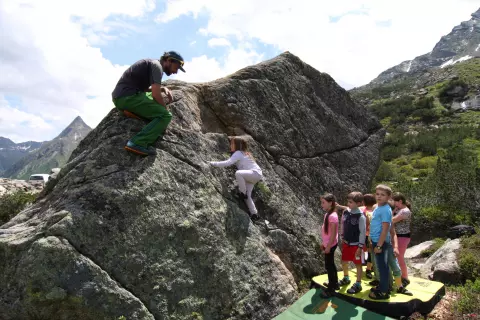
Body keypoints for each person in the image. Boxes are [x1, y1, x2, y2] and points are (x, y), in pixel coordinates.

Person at [111, 51, 186, 156]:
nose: (176, 72)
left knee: (153, 99)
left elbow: (146, 90)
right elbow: (156, 94)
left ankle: (135, 113)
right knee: (165, 116)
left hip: (122, 97)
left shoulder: (151, 64)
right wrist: (165, 110)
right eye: (176, 67)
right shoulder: (157, 66)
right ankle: (137, 143)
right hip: (128, 97)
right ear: (169, 60)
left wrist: (162, 88)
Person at [209, 137, 263, 219]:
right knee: (247, 196)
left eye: (232, 144)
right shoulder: (245, 153)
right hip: (255, 175)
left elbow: (228, 163)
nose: (230, 145)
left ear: (236, 145)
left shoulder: (238, 153)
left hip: (254, 173)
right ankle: (254, 214)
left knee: (238, 174)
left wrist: (213, 163)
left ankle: (242, 193)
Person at [338, 192, 366, 294]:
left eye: (351, 202)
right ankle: (346, 278)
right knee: (344, 261)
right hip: (346, 243)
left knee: (358, 264)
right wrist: (342, 236)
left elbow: (362, 232)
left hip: (356, 245)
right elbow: (343, 224)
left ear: (358, 203)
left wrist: (360, 247)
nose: (348, 203)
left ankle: (358, 284)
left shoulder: (361, 217)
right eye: (348, 201)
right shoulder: (346, 212)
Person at [368, 184, 393, 300]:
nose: (379, 197)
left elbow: (385, 228)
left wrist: (379, 245)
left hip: (380, 242)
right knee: (382, 265)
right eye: (377, 194)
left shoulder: (385, 210)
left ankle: (383, 291)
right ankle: (385, 286)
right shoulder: (378, 207)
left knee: (382, 266)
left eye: (383, 195)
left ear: (388, 197)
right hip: (375, 240)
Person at [319, 193, 340, 298]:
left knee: (329, 266)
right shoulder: (328, 214)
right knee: (330, 265)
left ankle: (331, 289)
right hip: (328, 244)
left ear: (330, 203)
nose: (321, 204)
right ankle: (335, 283)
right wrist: (324, 243)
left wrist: (328, 246)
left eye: (323, 202)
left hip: (330, 245)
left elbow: (333, 234)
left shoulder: (333, 216)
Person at [392, 192, 413, 287]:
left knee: (400, 258)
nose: (394, 204)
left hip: (402, 236)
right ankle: (400, 276)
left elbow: (392, 220)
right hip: (400, 236)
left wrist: (392, 212)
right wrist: (394, 210)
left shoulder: (405, 211)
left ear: (400, 201)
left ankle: (405, 278)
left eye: (395, 201)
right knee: (397, 257)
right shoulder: (400, 210)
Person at [362, 194, 376, 279]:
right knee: (371, 252)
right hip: (374, 234)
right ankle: (370, 268)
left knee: (370, 252)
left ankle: (368, 269)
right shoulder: (376, 210)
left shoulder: (364, 211)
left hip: (368, 235)